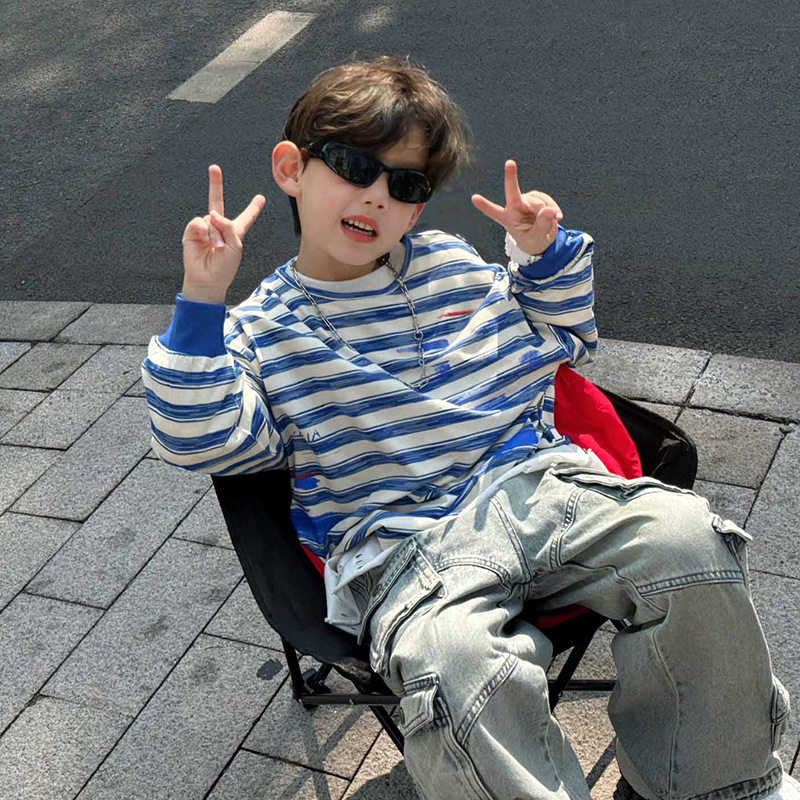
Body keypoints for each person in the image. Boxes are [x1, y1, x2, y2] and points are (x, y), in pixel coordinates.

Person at [141, 52, 797, 800]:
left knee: (690, 541)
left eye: (405, 184)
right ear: (292, 169)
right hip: (406, 548)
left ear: (418, 207)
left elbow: (559, 340)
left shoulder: (448, 263)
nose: (376, 195)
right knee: (456, 666)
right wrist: (201, 301)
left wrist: (541, 256)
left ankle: (720, 785)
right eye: (354, 166)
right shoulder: (259, 330)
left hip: (540, 487)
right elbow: (199, 439)